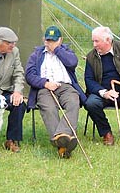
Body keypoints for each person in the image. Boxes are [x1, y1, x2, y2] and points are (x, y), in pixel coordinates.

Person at [25, 25, 86, 158]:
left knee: (73, 103)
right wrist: (45, 83)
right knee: (49, 108)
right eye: (48, 40)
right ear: (43, 40)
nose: (50, 44)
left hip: (65, 87)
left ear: (60, 40)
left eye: (53, 41)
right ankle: (64, 145)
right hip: (45, 88)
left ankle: (60, 137)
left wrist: (57, 50)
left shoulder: (67, 52)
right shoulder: (36, 54)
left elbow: (72, 63)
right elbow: (29, 75)